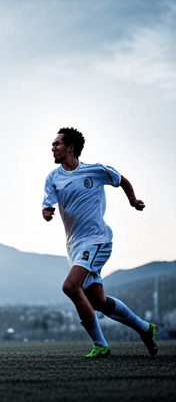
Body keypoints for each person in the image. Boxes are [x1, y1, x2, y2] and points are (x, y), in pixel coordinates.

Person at [42, 127, 157, 357]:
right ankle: (145, 329)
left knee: (70, 287)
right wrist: (47, 211)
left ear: (70, 147)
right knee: (98, 301)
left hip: (97, 240)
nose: (52, 148)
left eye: (57, 144)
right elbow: (48, 203)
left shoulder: (95, 171)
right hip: (74, 246)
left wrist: (133, 200)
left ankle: (101, 345)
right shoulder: (53, 178)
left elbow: (121, 180)